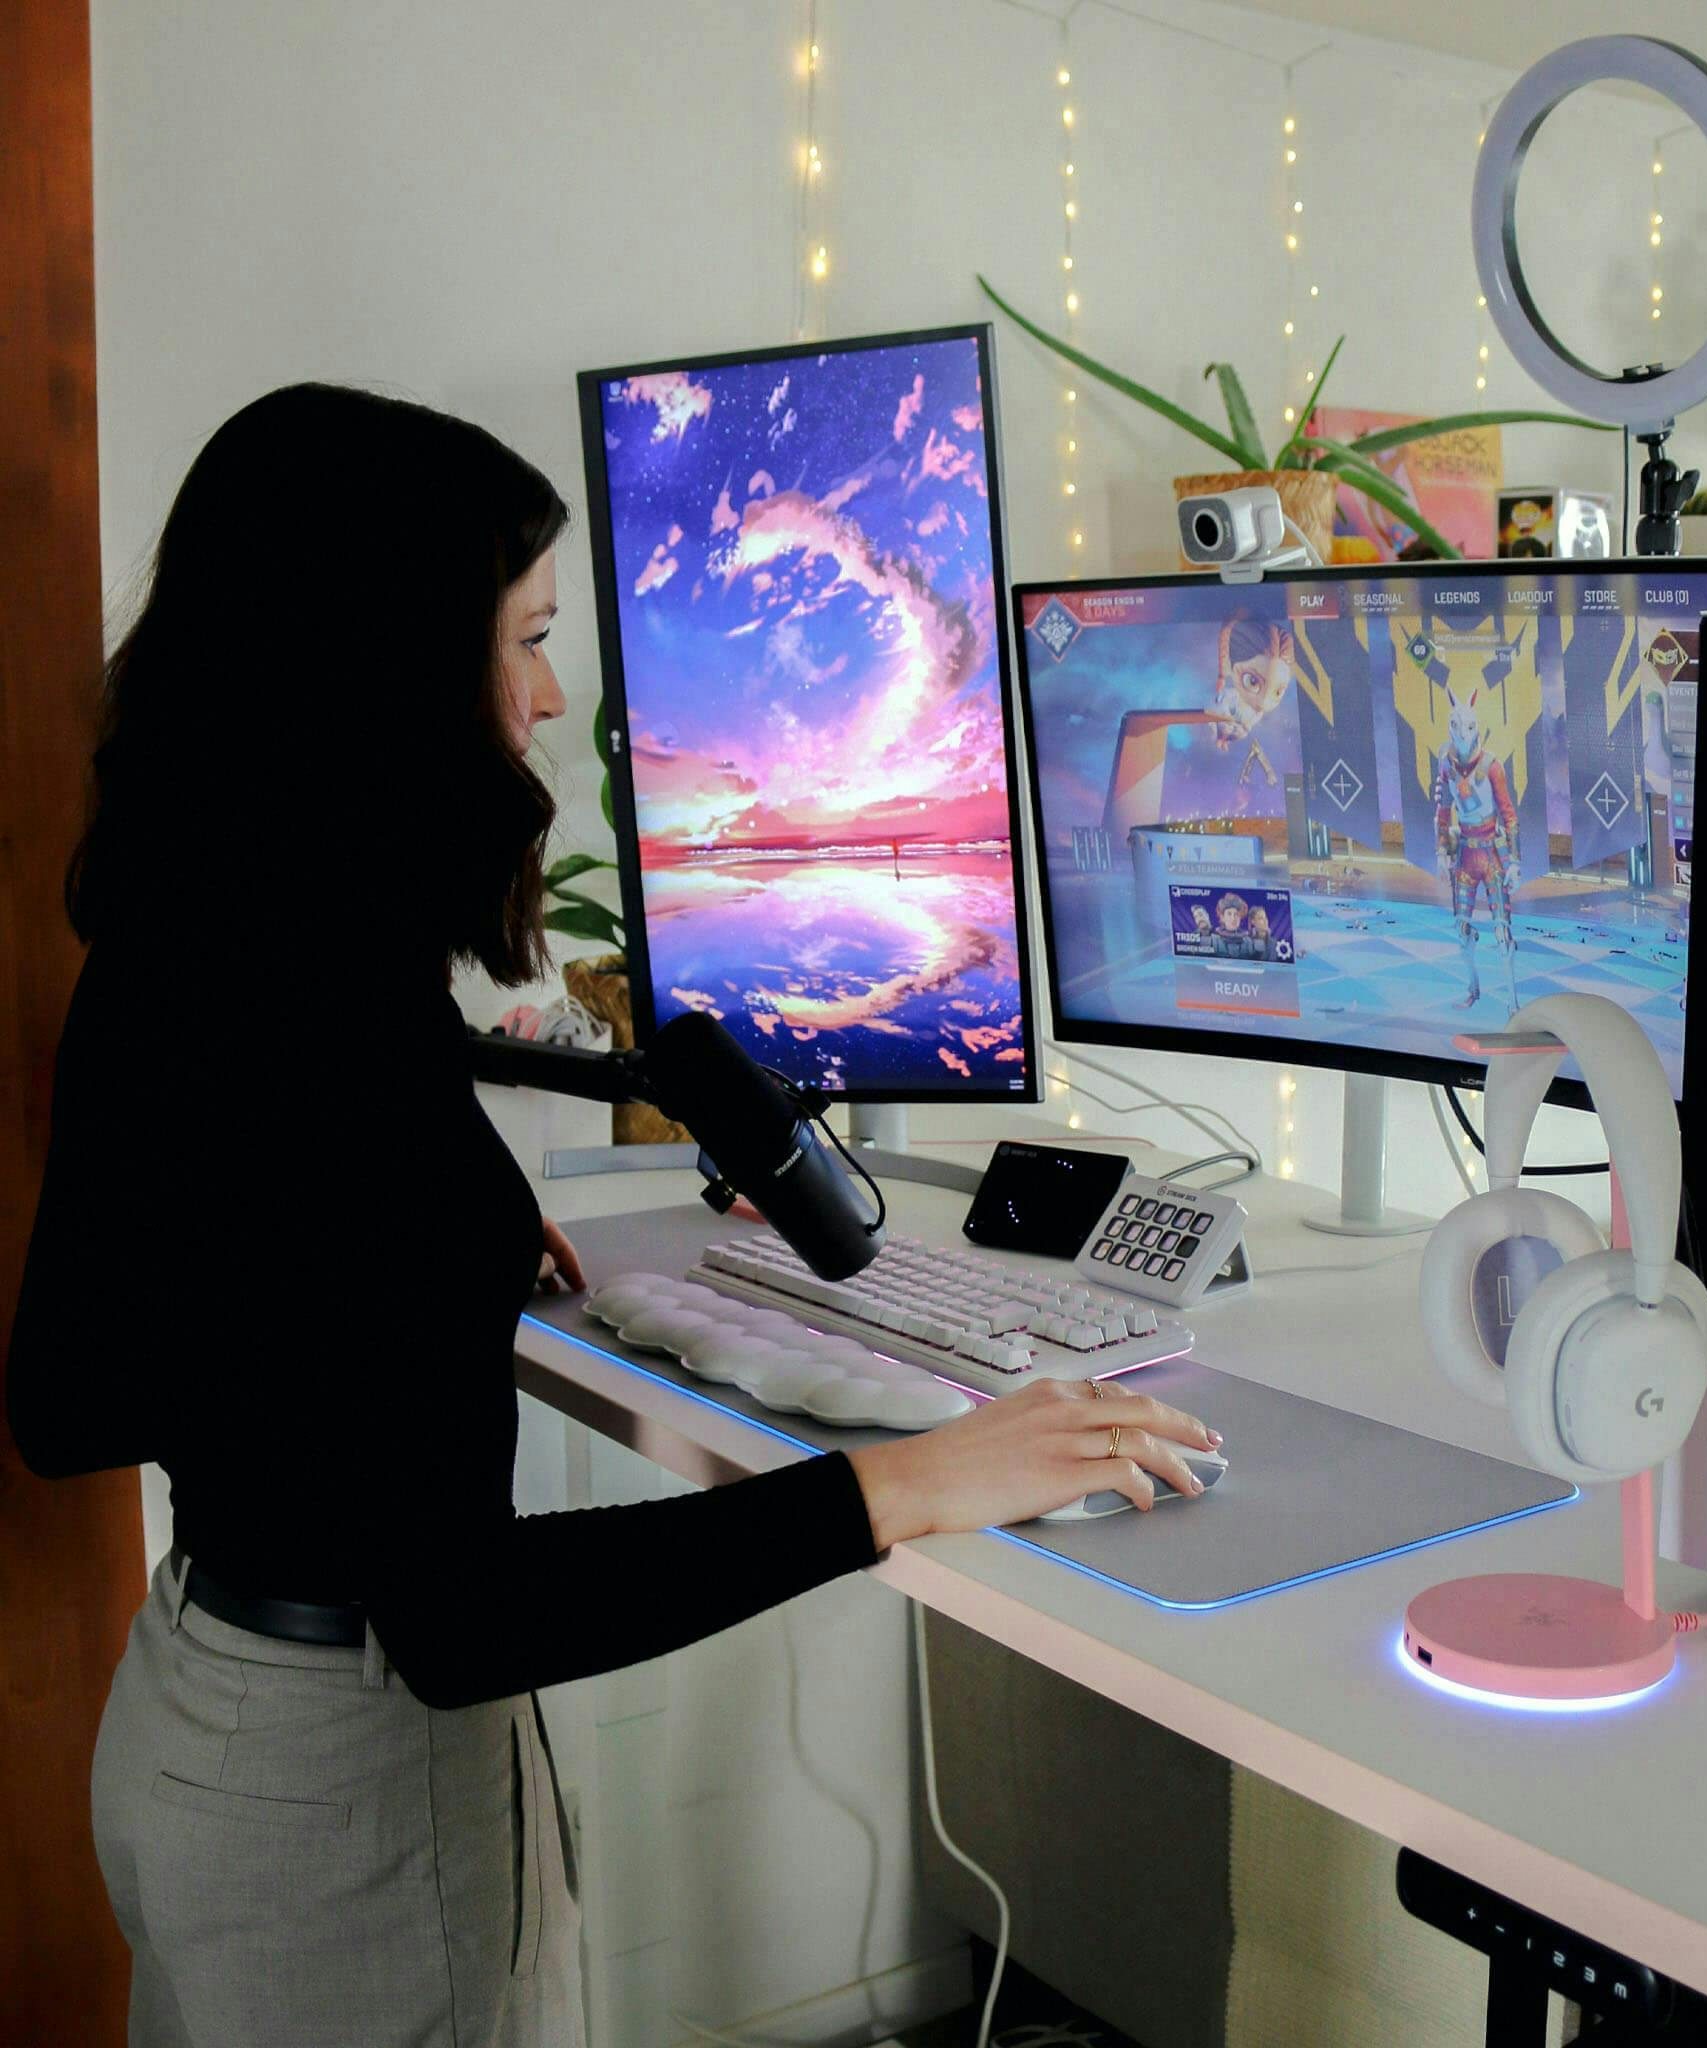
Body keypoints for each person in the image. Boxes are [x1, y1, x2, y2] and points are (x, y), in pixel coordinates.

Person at [6, 384, 1218, 2048]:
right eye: (522, 638)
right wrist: (903, 1483)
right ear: (381, 663)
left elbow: (71, 1390)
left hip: (199, 1725)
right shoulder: (320, 1046)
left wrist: (376, 1291)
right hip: (345, 1801)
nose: (548, 693)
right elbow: (463, 1620)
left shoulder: (194, 944)